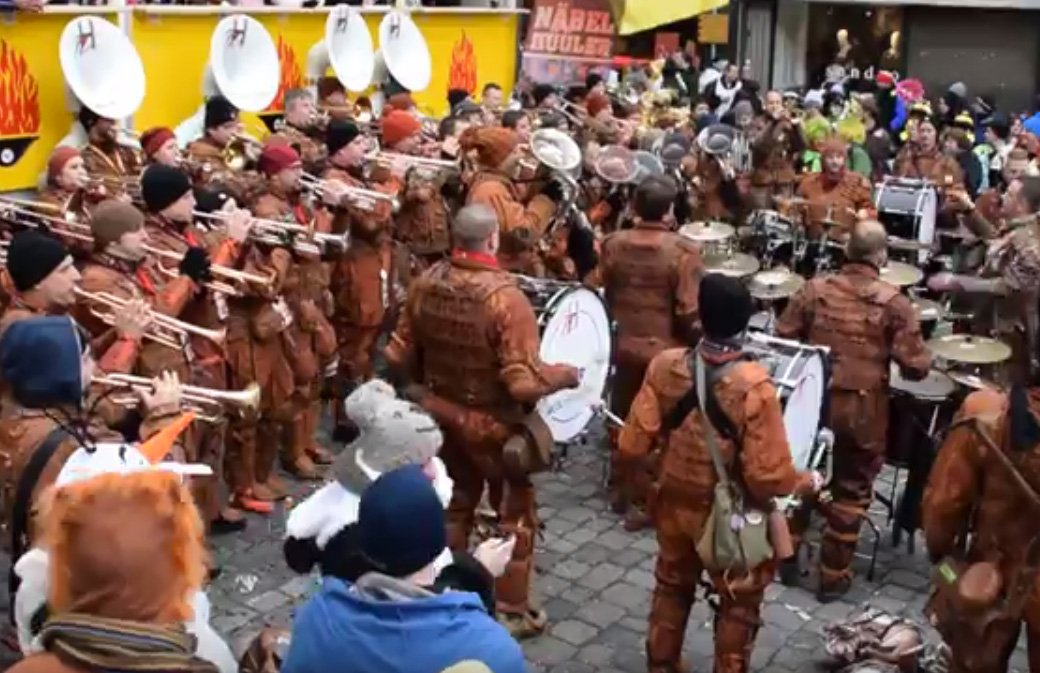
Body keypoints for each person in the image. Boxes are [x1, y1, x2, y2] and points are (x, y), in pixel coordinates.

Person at [384, 204, 581, 638]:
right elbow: (522, 385)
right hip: (493, 426)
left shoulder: (425, 282)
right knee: (514, 513)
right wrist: (566, 376)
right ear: (491, 240)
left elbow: (396, 353)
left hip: (439, 414)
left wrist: (422, 389)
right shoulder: (505, 298)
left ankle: (440, 590)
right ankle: (510, 609)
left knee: (454, 503)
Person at [619, 273, 822, 673]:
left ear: (701, 317)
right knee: (739, 602)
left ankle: (661, 665)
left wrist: (651, 483)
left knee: (672, 584)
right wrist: (808, 481)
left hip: (673, 505)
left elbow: (630, 445)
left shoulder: (664, 366)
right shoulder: (754, 387)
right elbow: (769, 478)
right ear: (745, 325)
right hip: (728, 520)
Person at [775, 220, 932, 600]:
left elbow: (782, 337)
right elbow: (916, 367)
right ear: (881, 256)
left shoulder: (814, 290)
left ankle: (789, 556)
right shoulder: (895, 303)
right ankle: (833, 576)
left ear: (847, 250)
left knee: (805, 473)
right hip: (863, 411)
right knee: (853, 486)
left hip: (815, 404)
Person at [282, 465, 525, 673]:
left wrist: (476, 570)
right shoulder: (491, 650)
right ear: (440, 541)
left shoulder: (317, 619)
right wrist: (479, 575)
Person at [601, 174, 702, 531]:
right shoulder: (683, 251)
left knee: (621, 414)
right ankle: (645, 499)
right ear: (671, 210)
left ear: (633, 207)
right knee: (657, 426)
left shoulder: (613, 243)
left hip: (622, 345)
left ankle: (618, 485)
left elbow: (603, 289)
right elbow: (687, 310)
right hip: (664, 353)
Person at [921, 375, 1040, 673]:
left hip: (992, 570)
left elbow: (944, 503)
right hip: (1005, 573)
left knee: (974, 663)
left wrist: (942, 553)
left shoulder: (988, 413)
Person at [462, 126, 559, 275]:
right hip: (504, 271)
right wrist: (545, 201)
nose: (520, 156)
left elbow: (515, 212)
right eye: (514, 151)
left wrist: (540, 185)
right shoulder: (491, 190)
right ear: (500, 158)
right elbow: (521, 235)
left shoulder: (496, 184)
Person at [794, 136, 874, 239]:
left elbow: (869, 210)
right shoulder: (809, 182)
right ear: (823, 160)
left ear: (844, 159)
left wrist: (864, 213)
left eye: (839, 157)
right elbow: (795, 208)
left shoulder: (857, 182)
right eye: (830, 158)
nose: (835, 162)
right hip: (812, 242)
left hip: (845, 244)